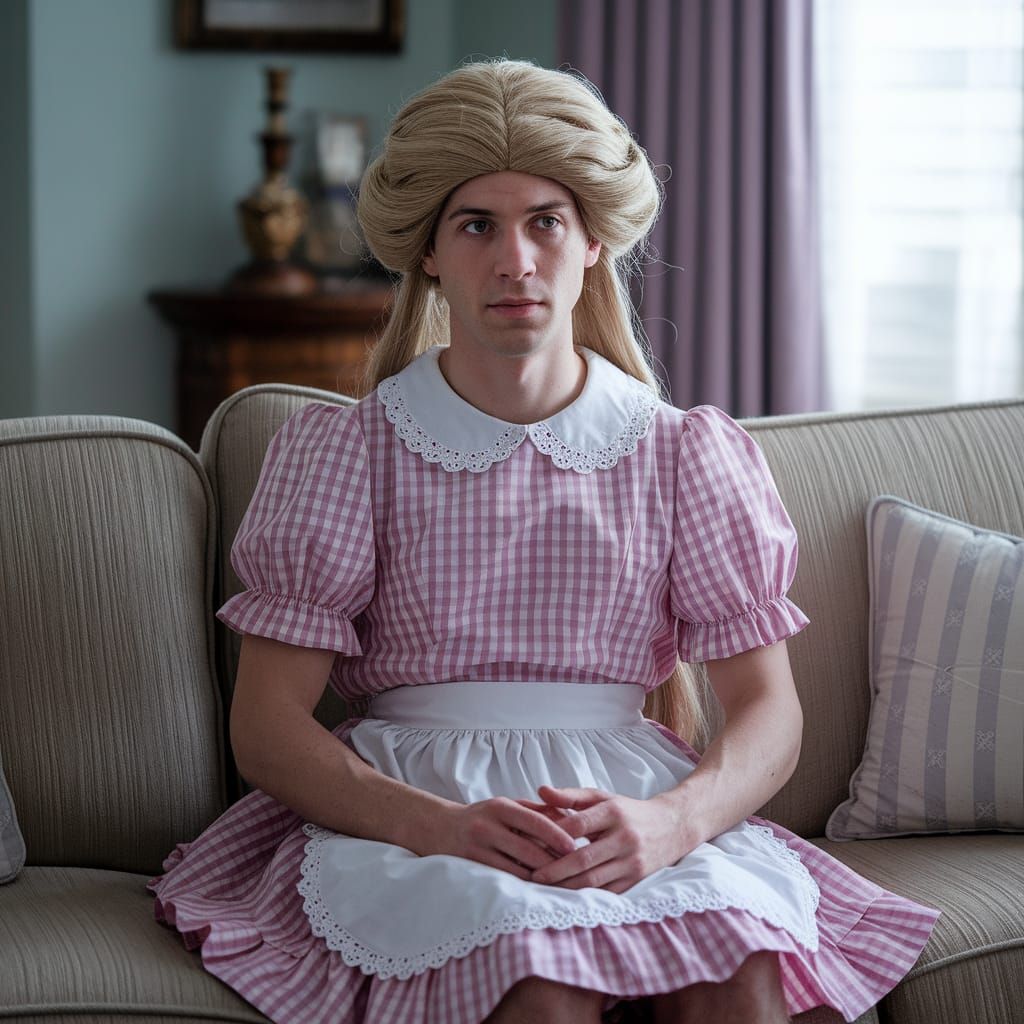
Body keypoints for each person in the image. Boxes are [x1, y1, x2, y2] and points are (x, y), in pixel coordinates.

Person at [150, 60, 938, 1024]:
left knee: (742, 981)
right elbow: (266, 726)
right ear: (429, 253)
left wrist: (673, 822)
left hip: (635, 802)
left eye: (545, 222)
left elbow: (769, 710)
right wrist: (433, 827)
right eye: (476, 224)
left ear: (595, 240)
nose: (514, 261)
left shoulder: (682, 453)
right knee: (538, 984)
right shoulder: (349, 453)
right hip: (407, 806)